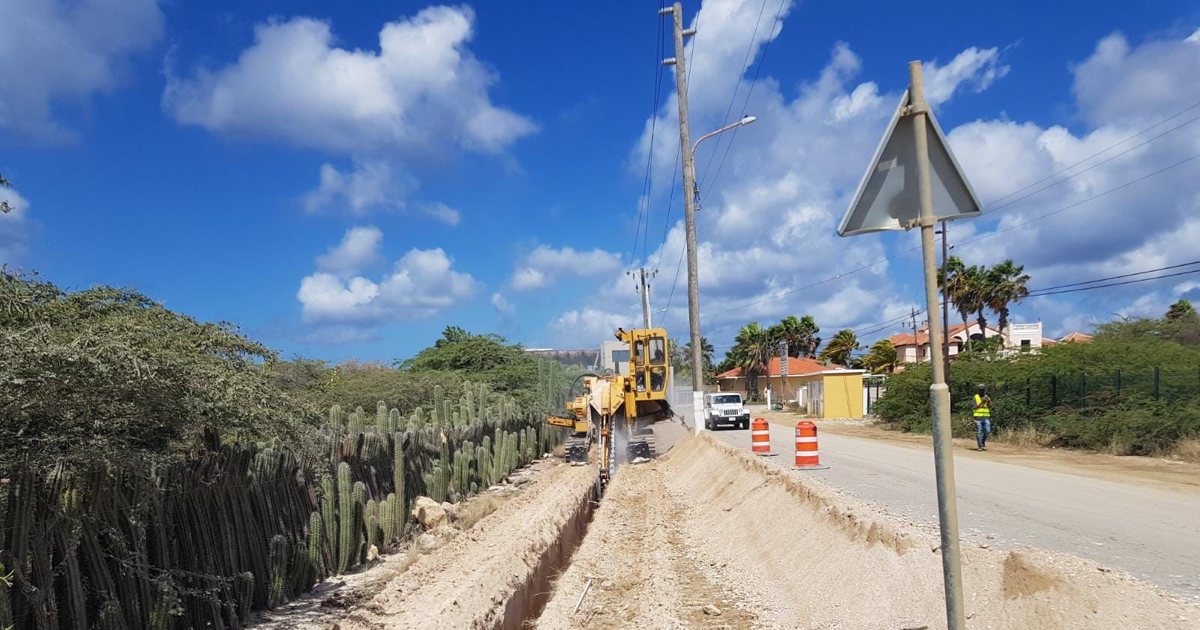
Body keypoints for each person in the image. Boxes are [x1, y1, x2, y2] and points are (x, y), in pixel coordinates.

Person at [973, 384, 992, 451]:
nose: (982, 391)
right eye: (980, 390)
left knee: (987, 431)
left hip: (986, 417)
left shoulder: (987, 397)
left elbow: (990, 407)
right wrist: (982, 402)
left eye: (983, 390)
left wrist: (989, 401)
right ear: (978, 390)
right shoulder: (976, 397)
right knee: (979, 432)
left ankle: (983, 442)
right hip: (978, 418)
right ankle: (980, 445)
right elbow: (974, 407)